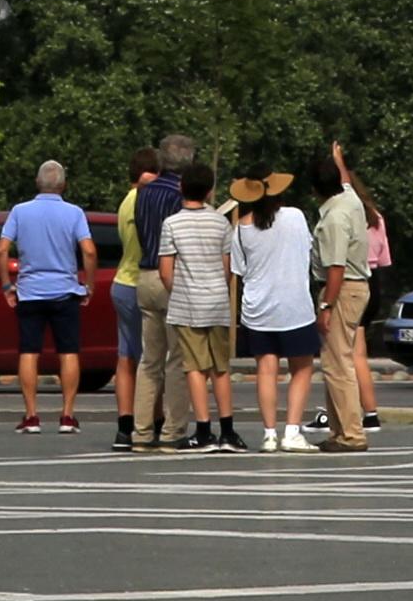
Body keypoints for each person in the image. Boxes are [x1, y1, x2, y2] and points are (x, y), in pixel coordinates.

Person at [0, 157, 98, 438]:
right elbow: (88, 251)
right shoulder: (74, 213)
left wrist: (7, 286)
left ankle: (31, 415)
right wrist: (88, 285)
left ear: (37, 183)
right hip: (65, 291)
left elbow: (2, 249)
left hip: (29, 292)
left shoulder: (20, 211)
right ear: (63, 185)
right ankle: (67, 414)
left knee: (29, 351)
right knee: (68, 352)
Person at [230, 171, 323, 454]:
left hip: (258, 309)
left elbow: (239, 270)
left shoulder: (241, 229)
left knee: (266, 370)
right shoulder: (295, 216)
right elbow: (308, 250)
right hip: (294, 305)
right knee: (302, 368)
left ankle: (269, 433)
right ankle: (292, 431)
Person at [158, 150, 242, 449]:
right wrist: (218, 286)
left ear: (181, 188)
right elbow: (227, 268)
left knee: (194, 368)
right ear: (209, 191)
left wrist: (179, 290)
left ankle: (203, 429)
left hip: (187, 304)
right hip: (218, 302)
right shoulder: (221, 224)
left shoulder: (171, 224)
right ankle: (228, 430)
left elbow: (166, 271)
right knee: (220, 367)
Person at [306, 144, 378, 453]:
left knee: (338, 364)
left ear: (315, 190)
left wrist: (326, 305)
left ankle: (351, 432)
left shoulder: (334, 217)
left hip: (342, 287)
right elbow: (347, 180)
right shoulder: (350, 199)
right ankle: (339, 431)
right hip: (355, 286)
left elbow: (335, 267)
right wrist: (338, 160)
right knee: (335, 361)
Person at [110, 148, 178, 453]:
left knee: (128, 357)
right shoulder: (150, 199)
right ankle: (156, 419)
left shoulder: (126, 202)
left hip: (121, 280)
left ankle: (126, 425)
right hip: (145, 278)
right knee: (155, 358)